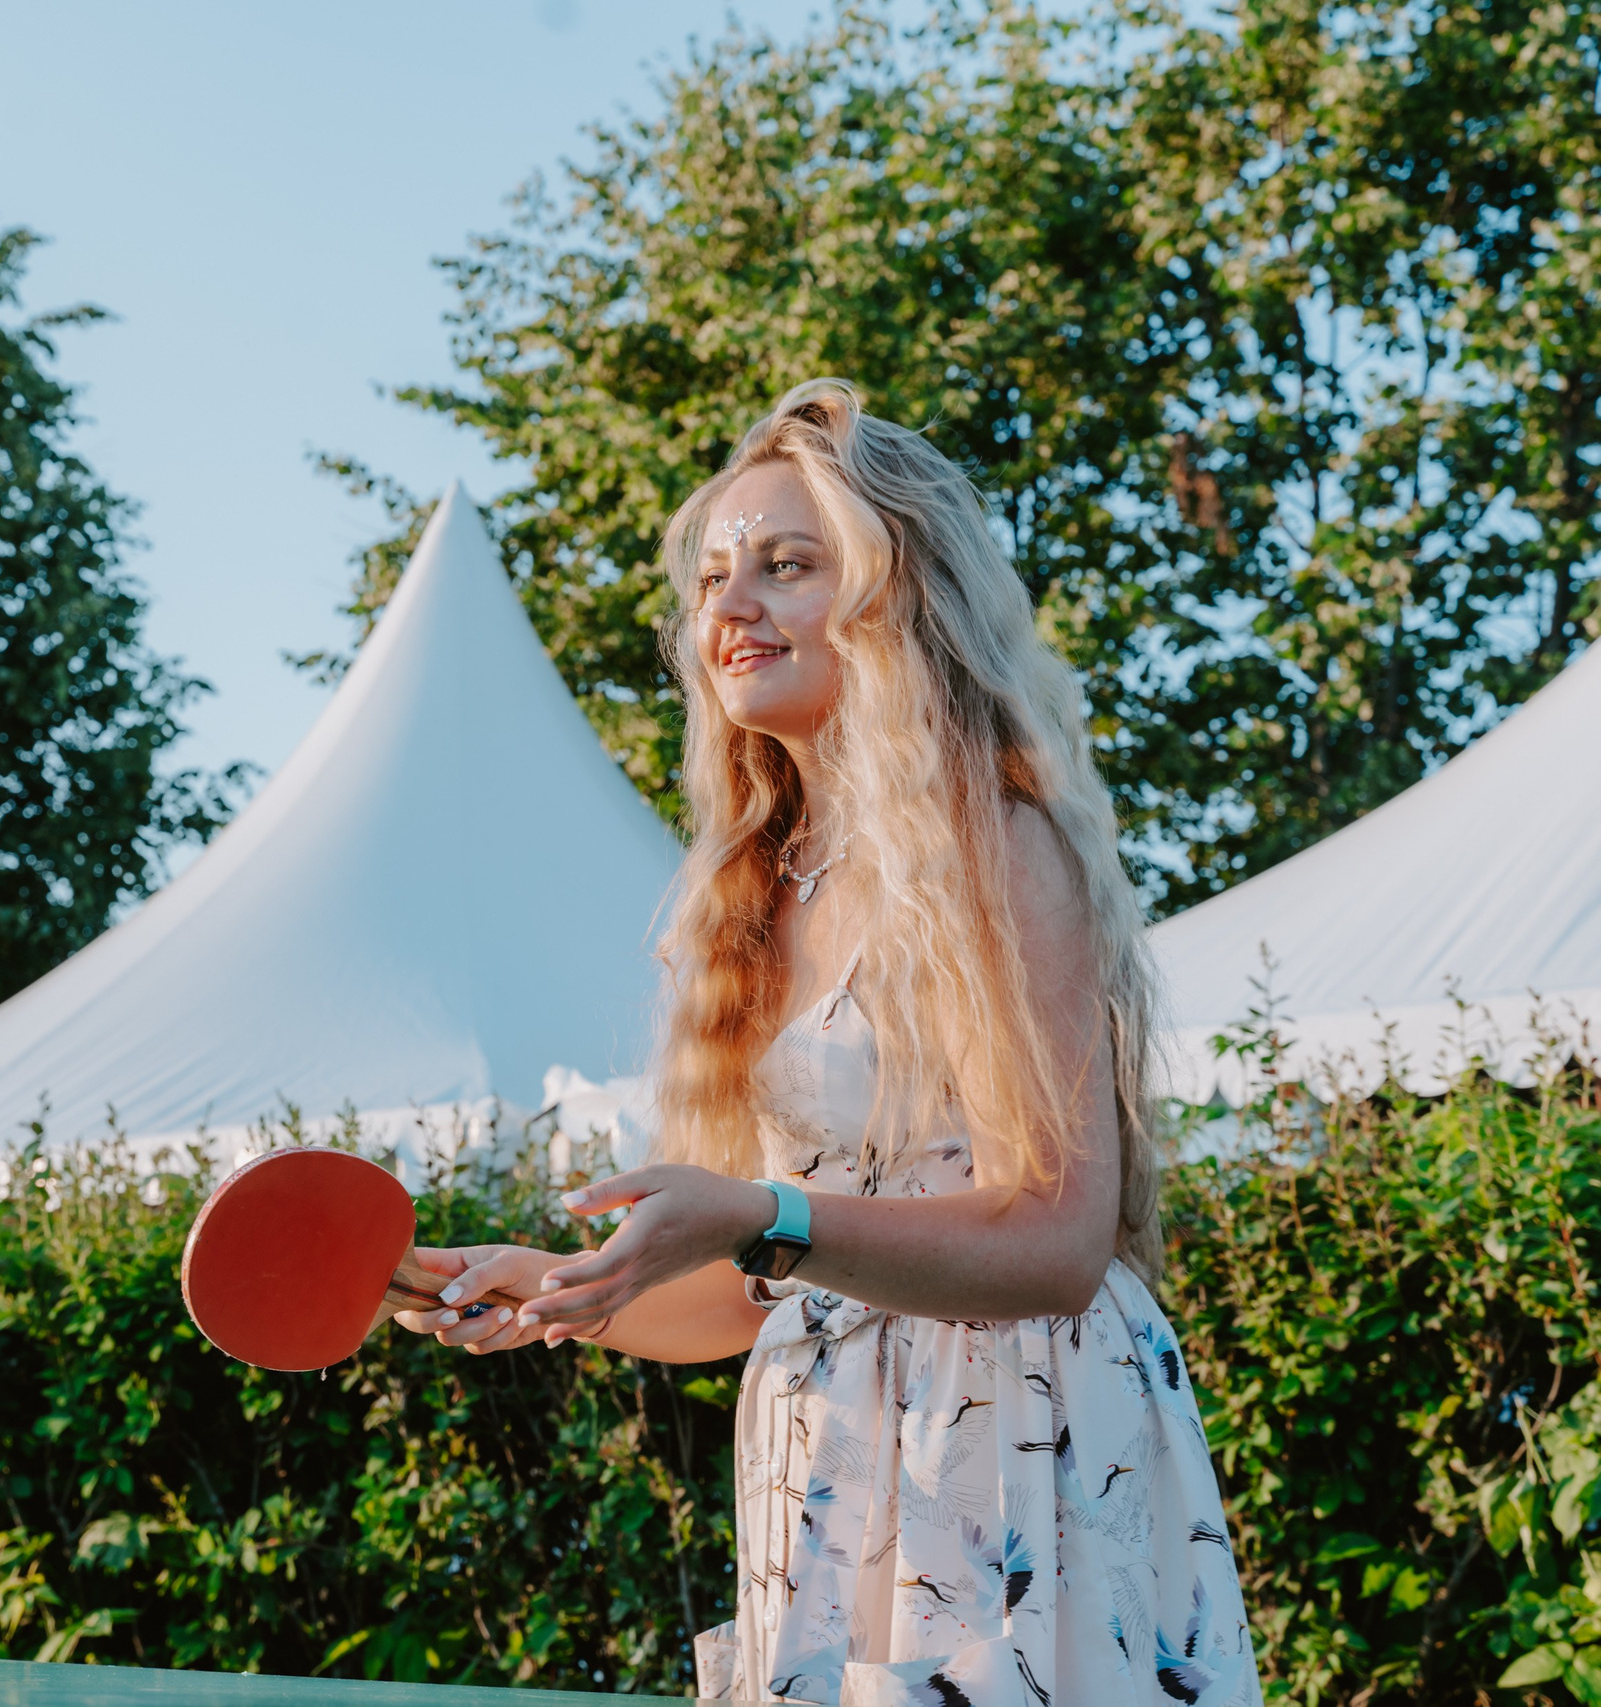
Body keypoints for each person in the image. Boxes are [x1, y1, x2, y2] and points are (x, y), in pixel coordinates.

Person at [393, 381, 1261, 1705]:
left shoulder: (999, 843)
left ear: (896, 591)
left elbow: (1059, 1238)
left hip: (1025, 1446)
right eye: (715, 576)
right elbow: (760, 1285)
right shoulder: (747, 901)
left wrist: (758, 1210)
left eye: (786, 566)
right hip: (833, 1469)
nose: (729, 606)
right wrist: (581, 1287)